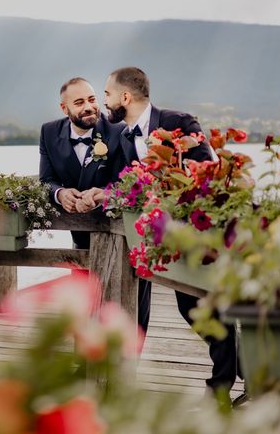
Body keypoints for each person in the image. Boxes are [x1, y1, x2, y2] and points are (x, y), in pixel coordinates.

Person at [77, 67, 239, 394]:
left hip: (195, 231)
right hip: (163, 238)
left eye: (106, 94)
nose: (104, 101)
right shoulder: (123, 137)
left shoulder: (178, 121)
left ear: (125, 97)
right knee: (190, 307)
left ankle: (221, 385)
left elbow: (203, 173)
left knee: (200, 306)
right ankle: (240, 368)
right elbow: (128, 184)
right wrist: (104, 193)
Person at [39, 77, 125, 249]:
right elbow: (46, 181)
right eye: (79, 103)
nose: (88, 107)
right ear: (64, 108)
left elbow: (127, 183)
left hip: (117, 237)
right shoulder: (49, 132)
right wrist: (60, 193)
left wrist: (102, 195)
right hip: (78, 236)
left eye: (92, 100)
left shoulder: (119, 131)